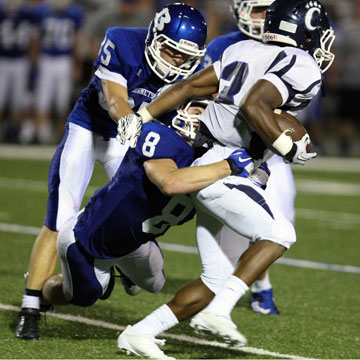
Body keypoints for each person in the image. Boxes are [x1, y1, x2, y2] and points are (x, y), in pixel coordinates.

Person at [116, 0, 335, 355]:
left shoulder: (243, 48)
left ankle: (140, 333)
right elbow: (255, 106)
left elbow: (188, 87)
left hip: (211, 164)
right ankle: (219, 312)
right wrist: (286, 146)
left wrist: (142, 114)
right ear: (305, 29)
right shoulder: (303, 64)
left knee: (217, 279)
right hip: (229, 167)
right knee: (281, 232)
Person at [15, 2, 207, 341]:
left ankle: (122, 257)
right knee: (61, 215)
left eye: (183, 56)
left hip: (134, 134)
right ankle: (31, 305)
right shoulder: (121, 40)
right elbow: (116, 99)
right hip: (92, 127)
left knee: (136, 203)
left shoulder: (192, 73)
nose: (175, 60)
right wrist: (130, 123)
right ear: (153, 37)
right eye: (169, 50)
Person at [40, 101, 257, 360]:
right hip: (86, 241)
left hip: (136, 242)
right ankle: (41, 292)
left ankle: (121, 268)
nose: (203, 119)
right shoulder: (161, 136)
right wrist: (230, 166)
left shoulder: (208, 160)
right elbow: (169, 182)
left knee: (157, 284)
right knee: (82, 296)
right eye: (198, 111)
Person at [204, 0, 282, 316]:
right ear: (241, 10)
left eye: (271, 9)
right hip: (229, 147)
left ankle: (259, 286)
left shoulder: (285, 48)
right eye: (260, 9)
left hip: (270, 149)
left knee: (278, 215)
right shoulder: (223, 46)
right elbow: (200, 92)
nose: (266, 17)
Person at [0, 0, 36, 142]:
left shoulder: (28, 14)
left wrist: (33, 61)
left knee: (17, 100)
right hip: (3, 60)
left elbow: (33, 39)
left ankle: (13, 131)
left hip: (20, 60)